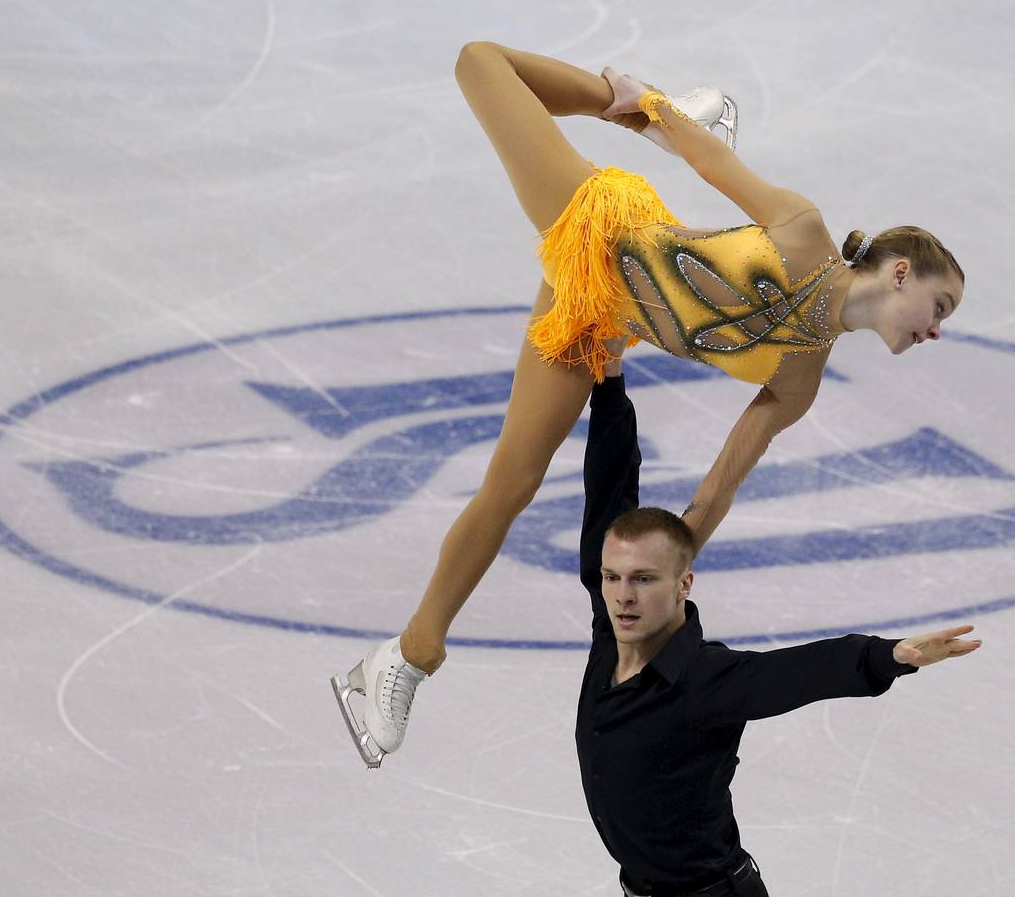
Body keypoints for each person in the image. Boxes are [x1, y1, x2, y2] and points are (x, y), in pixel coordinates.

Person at [331, 41, 967, 767]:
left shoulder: (800, 380)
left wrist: (669, 583)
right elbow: (713, 166)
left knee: (512, 482)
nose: (936, 327)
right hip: (598, 223)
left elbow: (718, 487)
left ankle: (403, 660)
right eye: (938, 303)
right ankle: (623, 94)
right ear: (900, 272)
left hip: (595, 316)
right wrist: (649, 108)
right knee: (480, 63)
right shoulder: (804, 233)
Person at [575, 365, 980, 895]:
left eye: (644, 579)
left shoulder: (706, 679)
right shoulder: (611, 636)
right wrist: (608, 386)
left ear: (683, 584)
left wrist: (890, 655)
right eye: (613, 577)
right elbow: (608, 493)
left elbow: (801, 672)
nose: (623, 595)